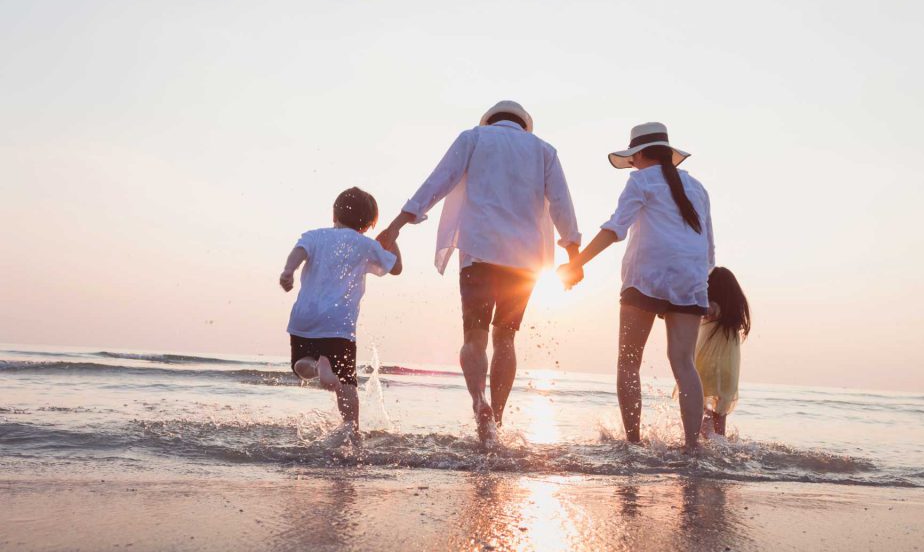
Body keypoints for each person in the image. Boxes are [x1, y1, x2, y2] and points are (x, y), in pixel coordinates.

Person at [376, 101, 581, 445]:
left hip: (479, 253)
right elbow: (561, 201)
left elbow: (437, 182)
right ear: (524, 125)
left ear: (490, 120)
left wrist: (396, 225)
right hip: (523, 260)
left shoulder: (473, 138)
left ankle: (478, 403)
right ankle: (497, 420)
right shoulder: (543, 150)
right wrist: (573, 252)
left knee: (475, 337)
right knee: (506, 337)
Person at [558, 122, 714, 453]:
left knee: (629, 361)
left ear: (640, 154)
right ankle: (691, 447)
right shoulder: (698, 187)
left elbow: (615, 230)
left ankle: (634, 443)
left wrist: (576, 264)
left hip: (646, 276)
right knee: (684, 364)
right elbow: (709, 248)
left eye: (632, 158)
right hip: (691, 277)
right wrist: (703, 285)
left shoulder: (640, 180)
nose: (631, 164)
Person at [280, 187, 402, 440]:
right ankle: (351, 429)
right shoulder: (365, 244)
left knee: (299, 365)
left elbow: (299, 251)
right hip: (339, 324)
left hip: (305, 318)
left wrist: (288, 271)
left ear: (334, 214)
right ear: (369, 224)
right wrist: (391, 239)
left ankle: (316, 366)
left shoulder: (315, 236)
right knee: (347, 382)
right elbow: (396, 268)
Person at [694, 266, 750, 437]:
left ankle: (700, 438)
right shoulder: (734, 316)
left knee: (702, 408)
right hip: (728, 371)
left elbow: (703, 309)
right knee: (720, 412)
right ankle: (719, 440)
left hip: (707, 366)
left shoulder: (713, 308)